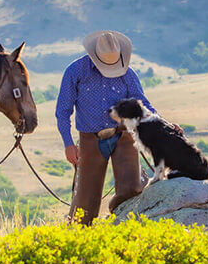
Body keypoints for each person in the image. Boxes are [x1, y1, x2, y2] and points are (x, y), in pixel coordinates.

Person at [55, 30, 155, 224]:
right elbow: (63, 111)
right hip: (90, 139)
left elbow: (142, 103)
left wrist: (163, 123)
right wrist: (68, 144)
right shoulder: (75, 71)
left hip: (123, 135)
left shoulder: (128, 73)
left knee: (132, 190)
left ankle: (113, 219)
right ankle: (80, 240)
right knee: (85, 206)